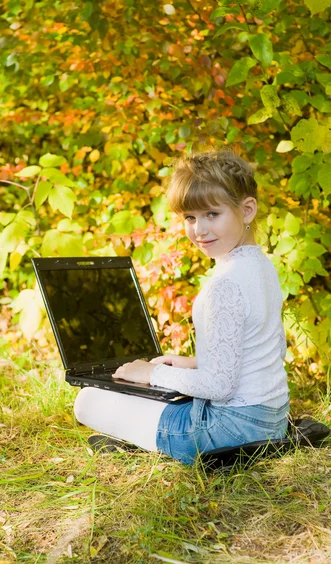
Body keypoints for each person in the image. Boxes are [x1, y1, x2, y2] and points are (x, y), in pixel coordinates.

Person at [74, 151, 290, 465]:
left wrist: (152, 373)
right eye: (190, 217)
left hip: (228, 433)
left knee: (87, 399)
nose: (199, 230)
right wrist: (190, 363)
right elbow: (269, 348)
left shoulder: (225, 284)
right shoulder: (262, 267)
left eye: (212, 214)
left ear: (246, 210)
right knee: (145, 395)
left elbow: (218, 386)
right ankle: (147, 431)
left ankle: (155, 440)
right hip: (272, 421)